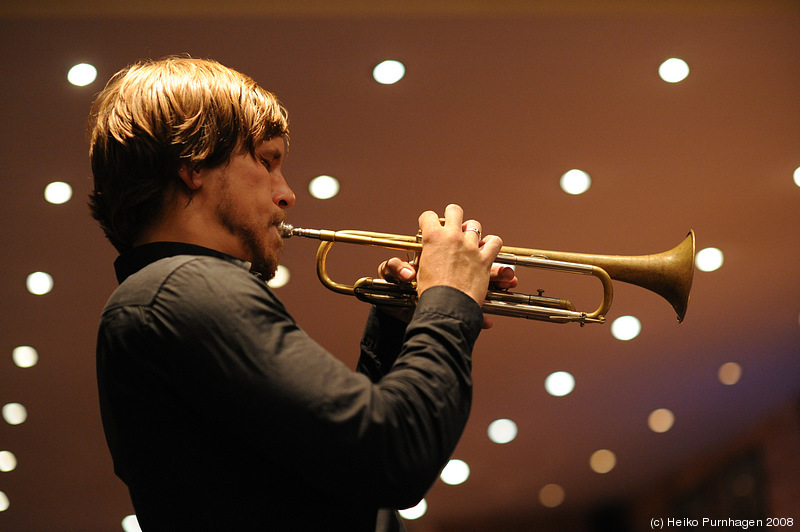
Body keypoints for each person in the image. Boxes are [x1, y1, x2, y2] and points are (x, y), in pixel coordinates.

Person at [88, 57, 516, 531]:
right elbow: (394, 455)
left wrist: (402, 324)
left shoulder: (162, 298)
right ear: (194, 162)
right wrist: (450, 300)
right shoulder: (185, 286)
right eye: (267, 161)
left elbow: (345, 482)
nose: (287, 193)